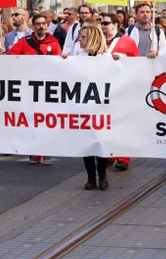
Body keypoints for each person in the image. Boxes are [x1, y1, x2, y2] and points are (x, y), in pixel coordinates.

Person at [8, 14, 62, 164]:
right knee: (32, 120)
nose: (41, 26)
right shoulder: (24, 42)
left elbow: (60, 65)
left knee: (47, 120)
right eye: (38, 24)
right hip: (29, 88)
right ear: (33, 26)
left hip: (47, 88)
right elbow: (11, 57)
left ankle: (46, 151)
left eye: (44, 23)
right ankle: (34, 153)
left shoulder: (54, 42)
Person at [100, 13, 139, 171]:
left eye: (106, 23)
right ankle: (109, 155)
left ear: (115, 24)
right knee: (106, 123)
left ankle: (123, 157)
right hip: (103, 89)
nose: (103, 26)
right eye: (101, 23)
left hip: (122, 88)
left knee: (122, 123)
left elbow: (137, 63)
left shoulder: (126, 41)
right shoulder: (99, 41)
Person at [73, 23, 109, 190]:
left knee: (100, 143)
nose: (79, 39)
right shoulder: (78, 59)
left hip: (102, 108)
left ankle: (102, 175)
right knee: (86, 144)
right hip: (83, 108)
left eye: (83, 36)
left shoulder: (108, 59)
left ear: (93, 38)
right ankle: (90, 177)